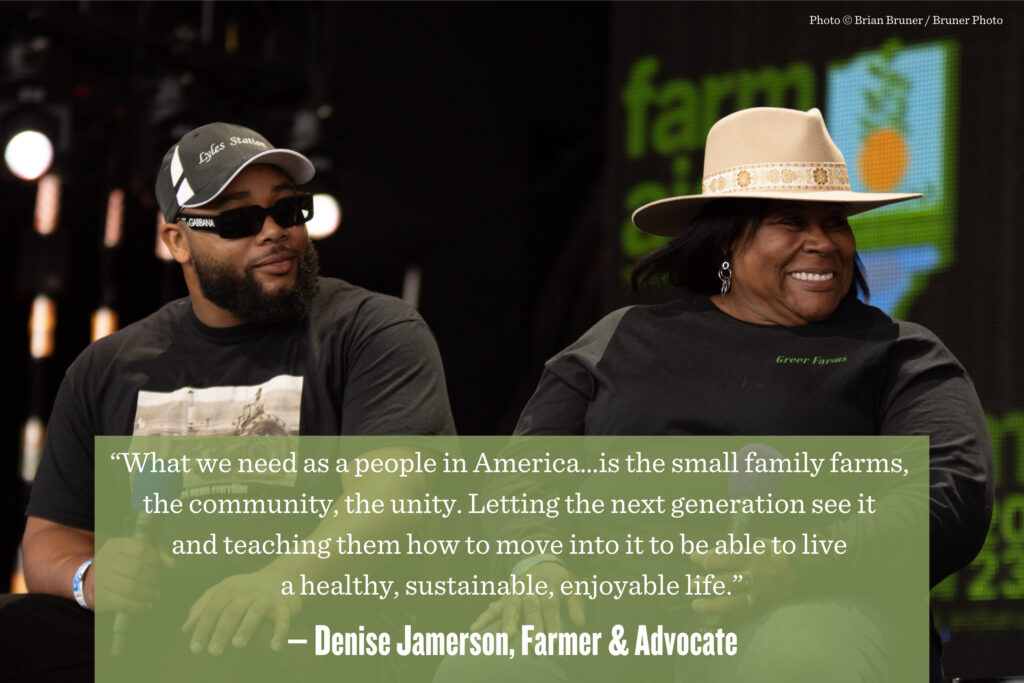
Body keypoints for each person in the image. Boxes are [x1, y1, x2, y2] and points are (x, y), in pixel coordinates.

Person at [443, 108, 992, 683]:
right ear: (726, 241)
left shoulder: (897, 351)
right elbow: (526, 473)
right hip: (621, 626)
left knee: (796, 655)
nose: (823, 243)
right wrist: (538, 563)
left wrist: (801, 563)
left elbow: (952, 491)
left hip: (819, 610)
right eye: (790, 221)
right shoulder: (619, 339)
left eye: (834, 222)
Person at [5, 122, 455, 681]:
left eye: (289, 211)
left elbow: (395, 486)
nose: (274, 232)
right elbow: (50, 536)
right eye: (241, 219)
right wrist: (89, 577)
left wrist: (281, 581)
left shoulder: (370, 329)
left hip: (314, 622)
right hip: (157, 625)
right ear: (177, 242)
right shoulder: (107, 367)